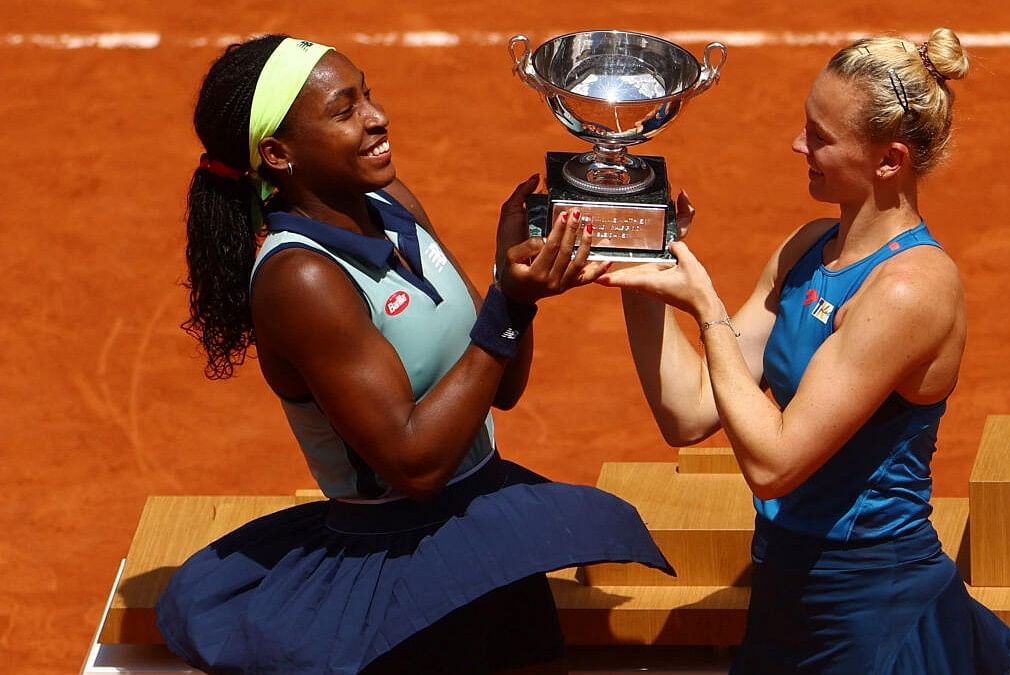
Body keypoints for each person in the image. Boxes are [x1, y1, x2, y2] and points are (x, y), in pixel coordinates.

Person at [156, 34, 673, 674]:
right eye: (344, 111)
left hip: (485, 531)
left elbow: (500, 388)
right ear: (278, 154)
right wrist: (506, 305)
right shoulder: (302, 280)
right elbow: (415, 466)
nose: (377, 117)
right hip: (399, 572)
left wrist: (511, 285)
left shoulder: (394, 207)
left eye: (366, 95)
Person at [597, 28, 1010, 673]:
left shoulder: (911, 289)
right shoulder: (806, 248)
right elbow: (689, 413)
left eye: (820, 136)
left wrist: (707, 307)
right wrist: (639, 271)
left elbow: (774, 464)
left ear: (889, 159)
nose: (798, 145)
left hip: (870, 608)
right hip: (786, 592)